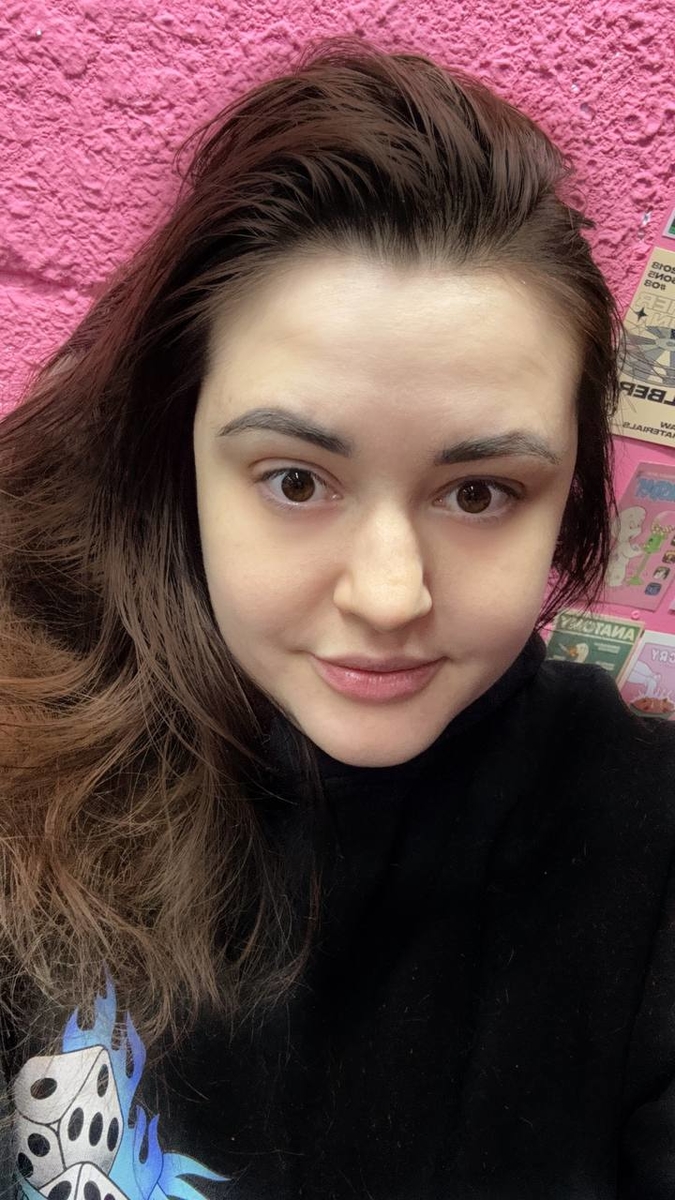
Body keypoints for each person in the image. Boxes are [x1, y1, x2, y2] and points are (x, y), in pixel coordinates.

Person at [1, 34, 674, 1200]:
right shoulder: (24, 744)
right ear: (176, 457)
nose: (389, 595)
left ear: (568, 488)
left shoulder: (646, 857)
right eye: (296, 481)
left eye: (480, 494)